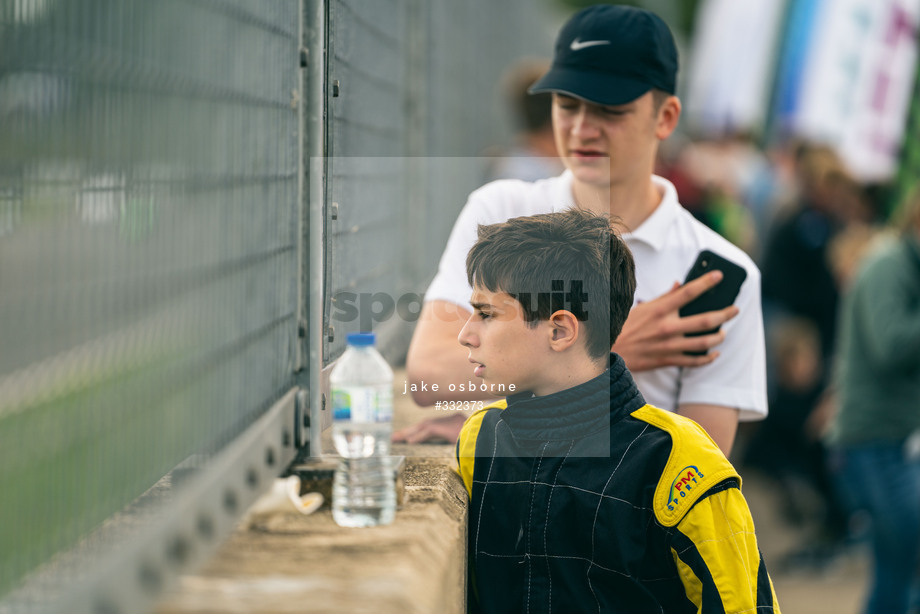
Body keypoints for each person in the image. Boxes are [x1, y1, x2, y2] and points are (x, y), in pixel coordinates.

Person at [396, 4, 767, 453]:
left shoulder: (716, 272)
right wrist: (609, 349)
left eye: (609, 110)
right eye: (567, 104)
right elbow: (430, 379)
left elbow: (697, 470)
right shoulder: (500, 209)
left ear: (666, 117)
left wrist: (509, 405)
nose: (581, 128)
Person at [455, 208, 780, 613]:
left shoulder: (678, 464)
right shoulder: (480, 437)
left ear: (560, 330)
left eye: (485, 313)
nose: (465, 334)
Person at [825, 188, 920, 614]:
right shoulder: (889, 264)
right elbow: (890, 344)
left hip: (894, 439)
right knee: (903, 561)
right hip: (874, 440)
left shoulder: (904, 263)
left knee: (897, 568)